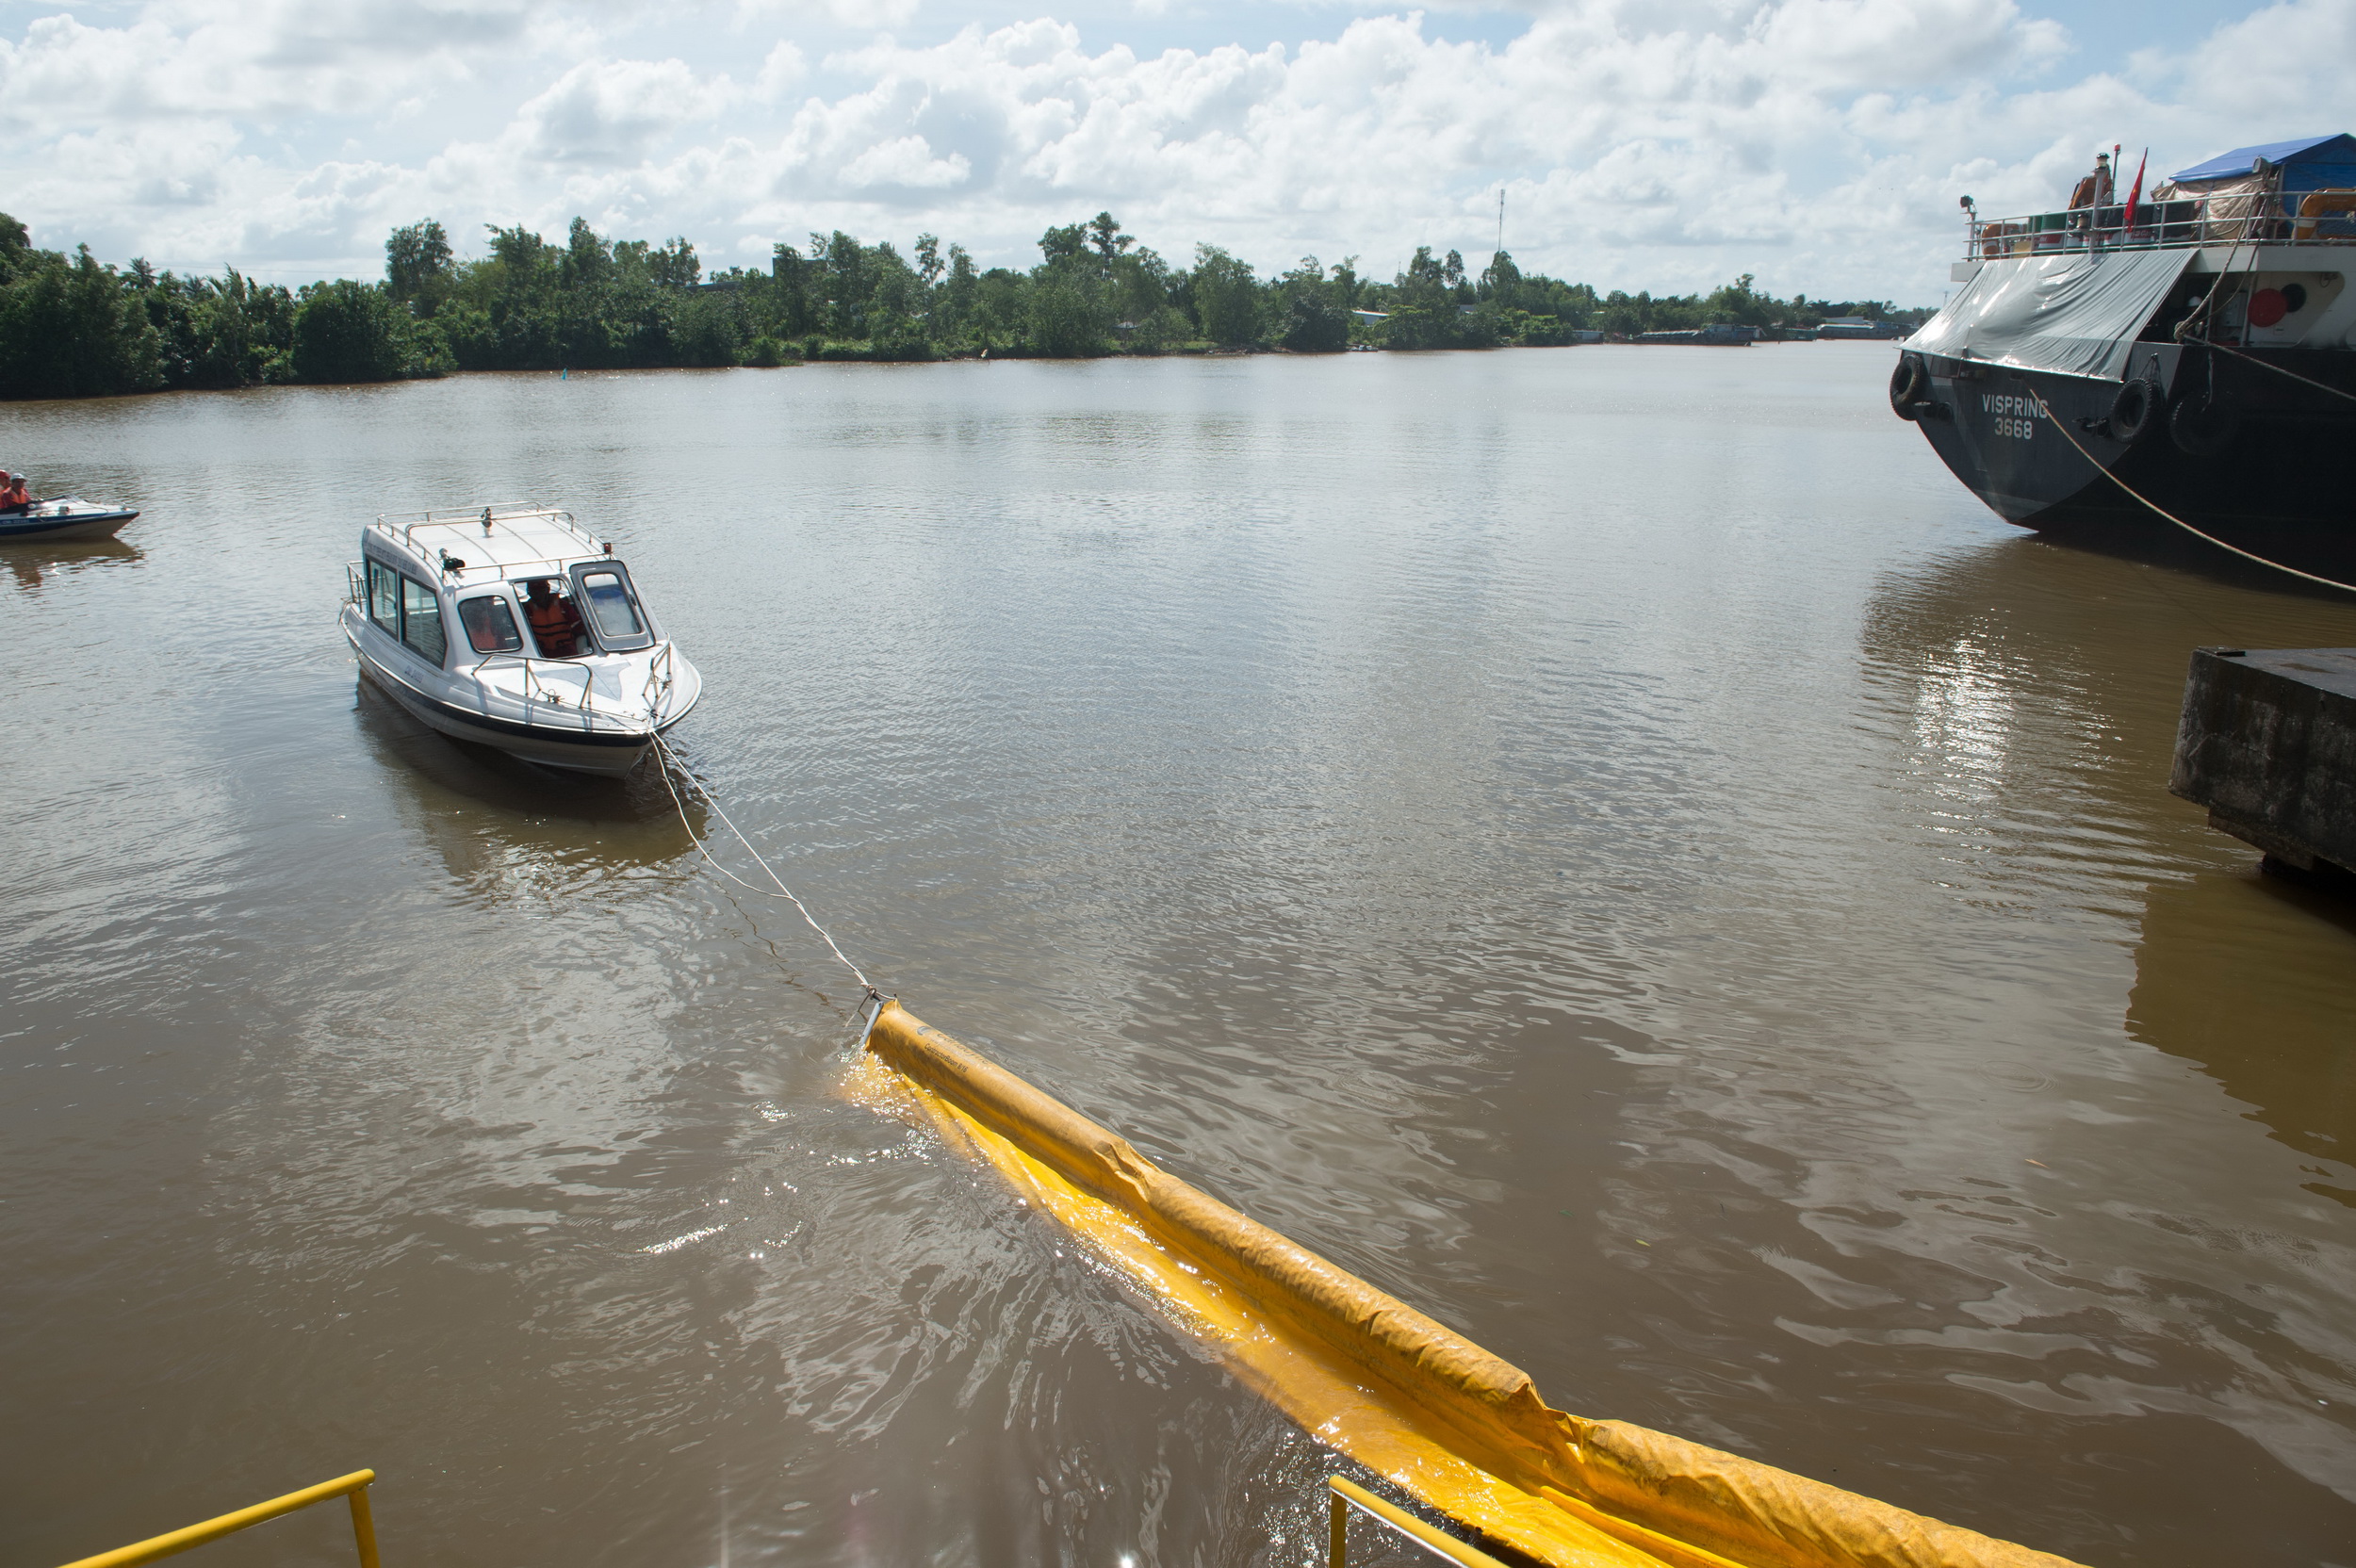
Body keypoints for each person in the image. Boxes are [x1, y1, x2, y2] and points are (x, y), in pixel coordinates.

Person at [520, 578, 585, 657]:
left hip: (567, 650)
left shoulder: (563, 606)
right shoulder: (527, 610)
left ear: (547, 589)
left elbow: (578, 626)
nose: (537, 593)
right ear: (529, 592)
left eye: (540, 589)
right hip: (542, 652)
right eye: (534, 590)